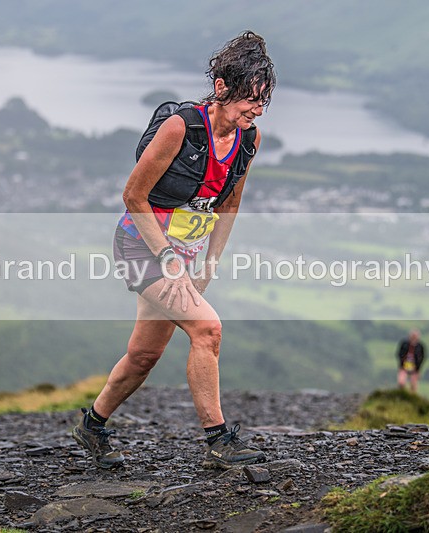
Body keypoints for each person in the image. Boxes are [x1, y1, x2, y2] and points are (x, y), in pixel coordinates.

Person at [72, 31, 276, 469]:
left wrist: (209, 263)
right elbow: (133, 195)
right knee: (208, 329)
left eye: (263, 101)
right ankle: (218, 440)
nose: (257, 109)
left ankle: (91, 425)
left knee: (144, 356)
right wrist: (167, 258)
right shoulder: (181, 127)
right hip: (140, 246)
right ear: (221, 88)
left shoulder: (249, 139)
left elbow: (229, 204)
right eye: (251, 99)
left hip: (184, 253)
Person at [396, 329, 425, 393]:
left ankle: (412, 397)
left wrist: (418, 368)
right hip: (404, 366)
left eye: (415, 336)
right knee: (401, 382)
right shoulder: (404, 344)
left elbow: (422, 357)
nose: (414, 338)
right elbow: (399, 354)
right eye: (412, 336)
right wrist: (402, 363)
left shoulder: (420, 346)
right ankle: (401, 394)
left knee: (413, 386)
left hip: (415, 368)